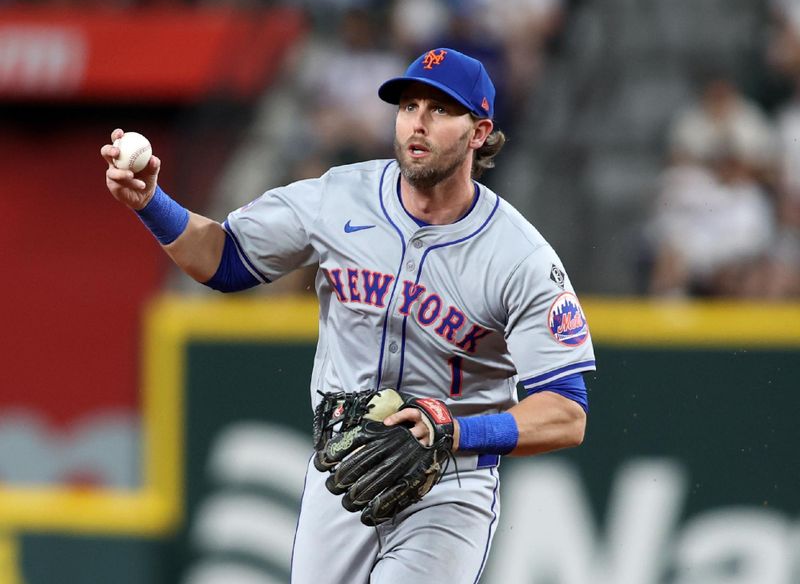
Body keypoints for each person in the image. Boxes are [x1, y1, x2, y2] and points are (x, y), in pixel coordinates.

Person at [101, 48, 595, 583]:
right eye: (409, 106)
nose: (418, 123)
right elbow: (223, 259)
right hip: (342, 468)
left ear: (479, 132)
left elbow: (567, 414)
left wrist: (453, 432)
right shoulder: (339, 197)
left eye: (440, 109)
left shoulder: (519, 256)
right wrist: (151, 201)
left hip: (449, 486)